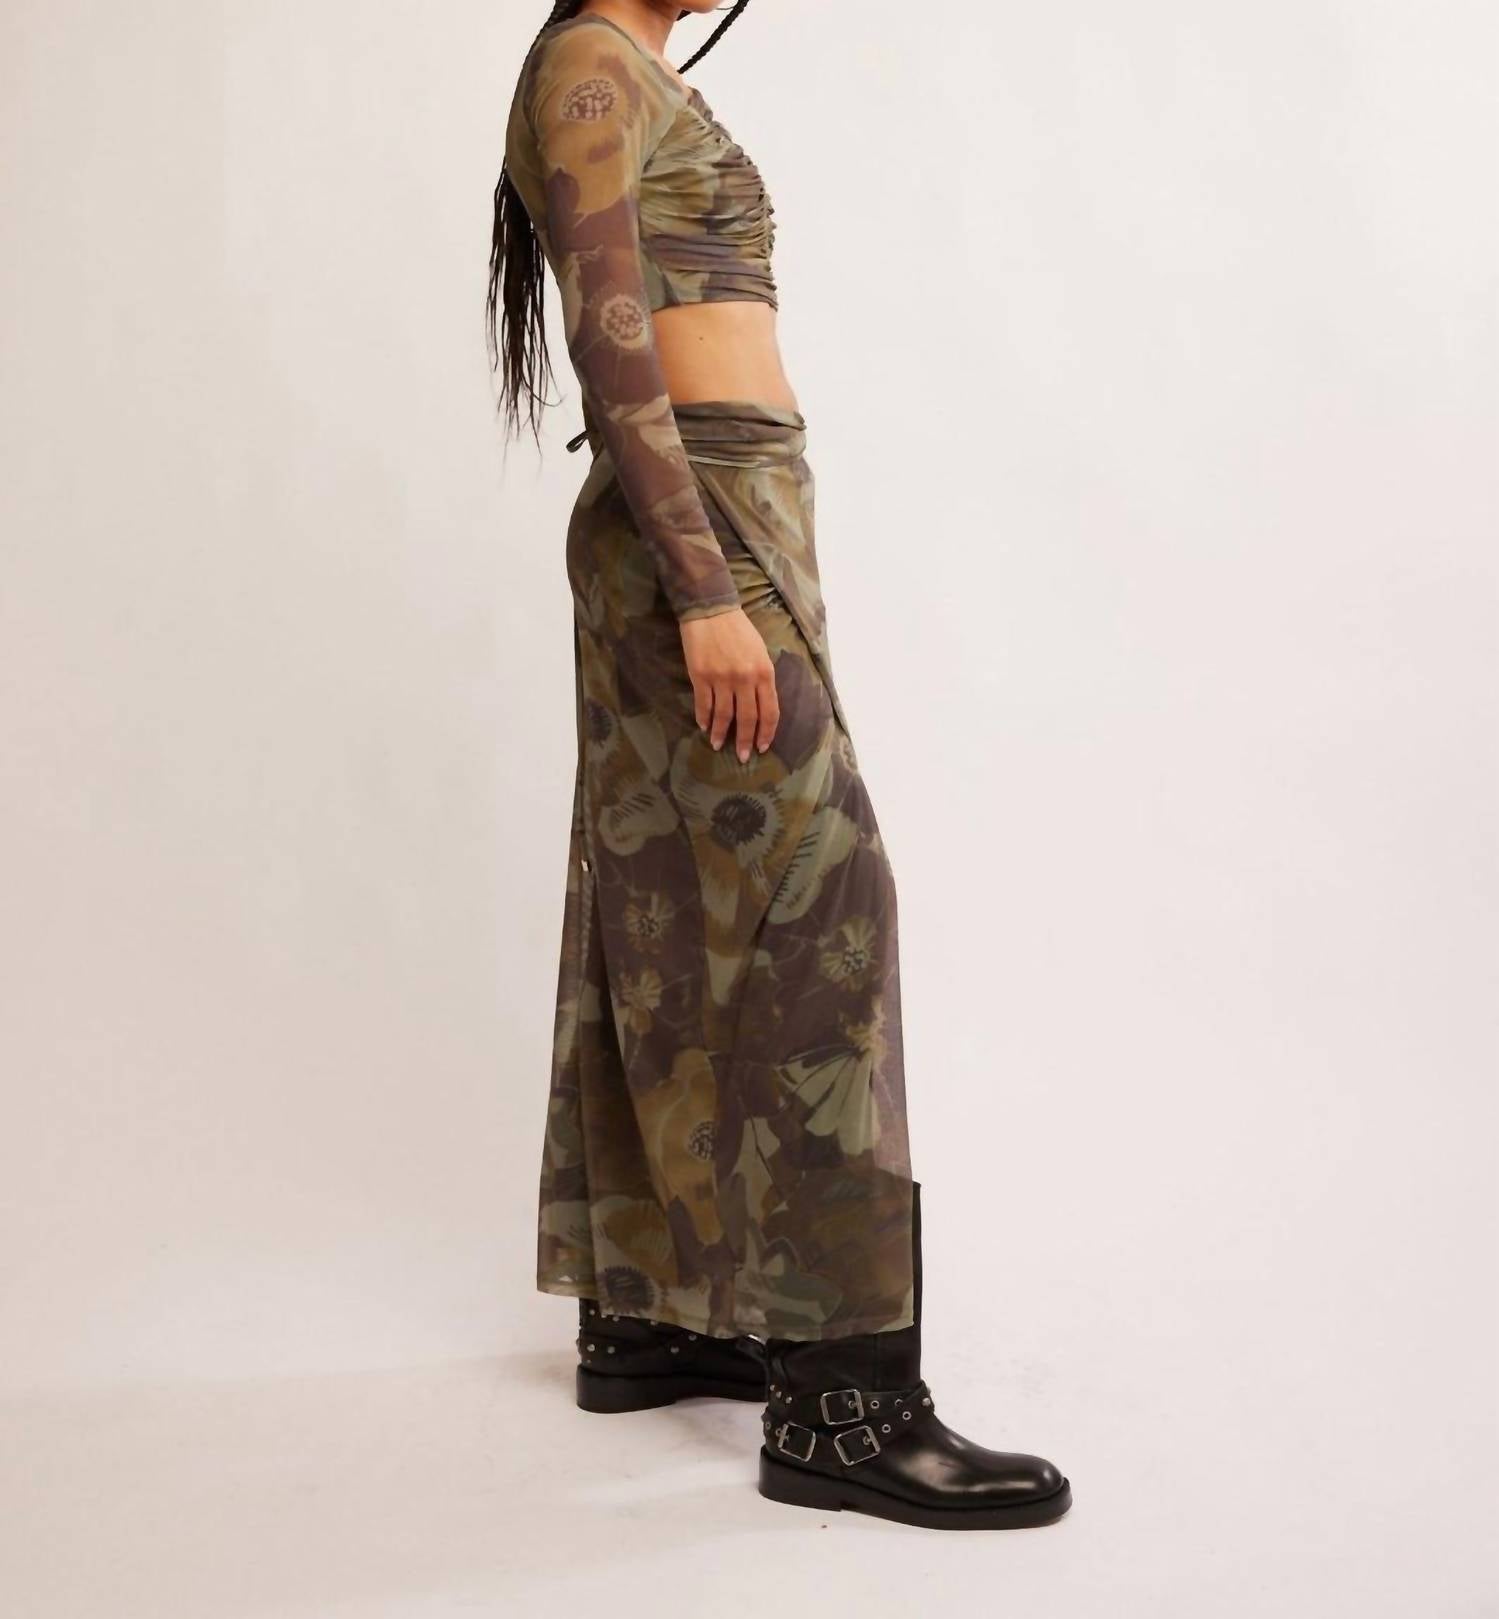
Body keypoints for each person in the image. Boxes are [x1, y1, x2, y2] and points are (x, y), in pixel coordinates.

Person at [489, 0, 1071, 1530]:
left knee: (669, 911)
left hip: (732, 506)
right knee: (826, 910)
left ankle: (654, 1311)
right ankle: (844, 1402)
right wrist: (704, 590)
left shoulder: (629, 68)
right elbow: (609, 334)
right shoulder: (592, 64)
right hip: (694, 528)